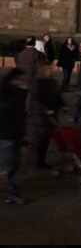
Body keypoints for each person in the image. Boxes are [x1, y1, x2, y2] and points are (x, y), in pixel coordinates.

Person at [0, 69, 28, 204]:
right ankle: (10, 192)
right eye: (21, 80)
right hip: (5, 134)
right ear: (13, 79)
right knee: (8, 165)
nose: (24, 82)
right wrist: (22, 91)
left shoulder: (15, 91)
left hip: (14, 133)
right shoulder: (5, 91)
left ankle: (11, 193)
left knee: (12, 165)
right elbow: (9, 107)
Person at [30, 62, 64, 169]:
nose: (51, 70)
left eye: (51, 68)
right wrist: (45, 110)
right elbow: (35, 100)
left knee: (45, 140)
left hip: (52, 115)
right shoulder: (37, 84)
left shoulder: (53, 82)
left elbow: (58, 96)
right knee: (40, 139)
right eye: (48, 69)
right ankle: (37, 161)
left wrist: (63, 105)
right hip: (41, 117)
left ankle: (41, 160)